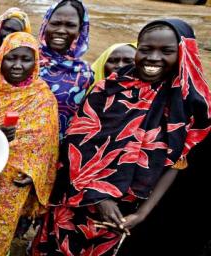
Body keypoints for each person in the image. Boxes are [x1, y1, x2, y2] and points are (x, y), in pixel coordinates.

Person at [31, 19, 211, 255]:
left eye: (166, 51)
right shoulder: (108, 89)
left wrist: (141, 214)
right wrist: (99, 197)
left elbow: (178, 163)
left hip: (131, 213)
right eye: (146, 49)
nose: (153, 58)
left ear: (183, 53)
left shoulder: (190, 105)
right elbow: (77, 143)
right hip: (80, 199)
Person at [0, 32, 59, 255]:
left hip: (12, 187)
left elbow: (48, 147)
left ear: (35, 62)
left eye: (25, 59)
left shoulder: (43, 98)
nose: (17, 65)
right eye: (11, 58)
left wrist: (34, 174)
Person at [38, 0, 93, 139]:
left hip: (59, 150)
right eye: (55, 23)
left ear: (80, 30)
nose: (61, 30)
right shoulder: (25, 60)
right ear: (45, 24)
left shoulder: (85, 74)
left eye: (70, 25)